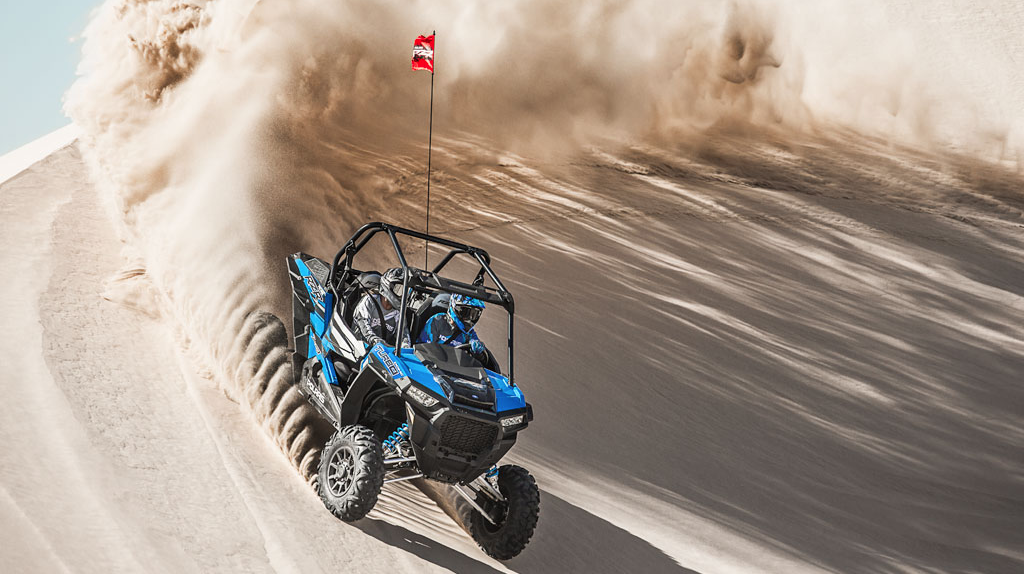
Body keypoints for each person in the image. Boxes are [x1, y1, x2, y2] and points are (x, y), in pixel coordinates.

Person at [418, 293, 491, 365]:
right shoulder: (437, 321)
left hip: (456, 371)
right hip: (431, 365)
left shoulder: (470, 334)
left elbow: (482, 361)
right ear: (455, 309)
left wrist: (478, 353)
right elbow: (424, 349)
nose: (469, 319)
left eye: (474, 315)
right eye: (466, 313)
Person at [352, 268, 410, 348]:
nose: (402, 295)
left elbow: (404, 336)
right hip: (358, 348)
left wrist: (405, 346)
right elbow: (362, 322)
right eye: (399, 290)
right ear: (388, 286)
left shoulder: (398, 313)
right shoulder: (369, 301)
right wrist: (374, 340)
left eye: (405, 292)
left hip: (381, 353)